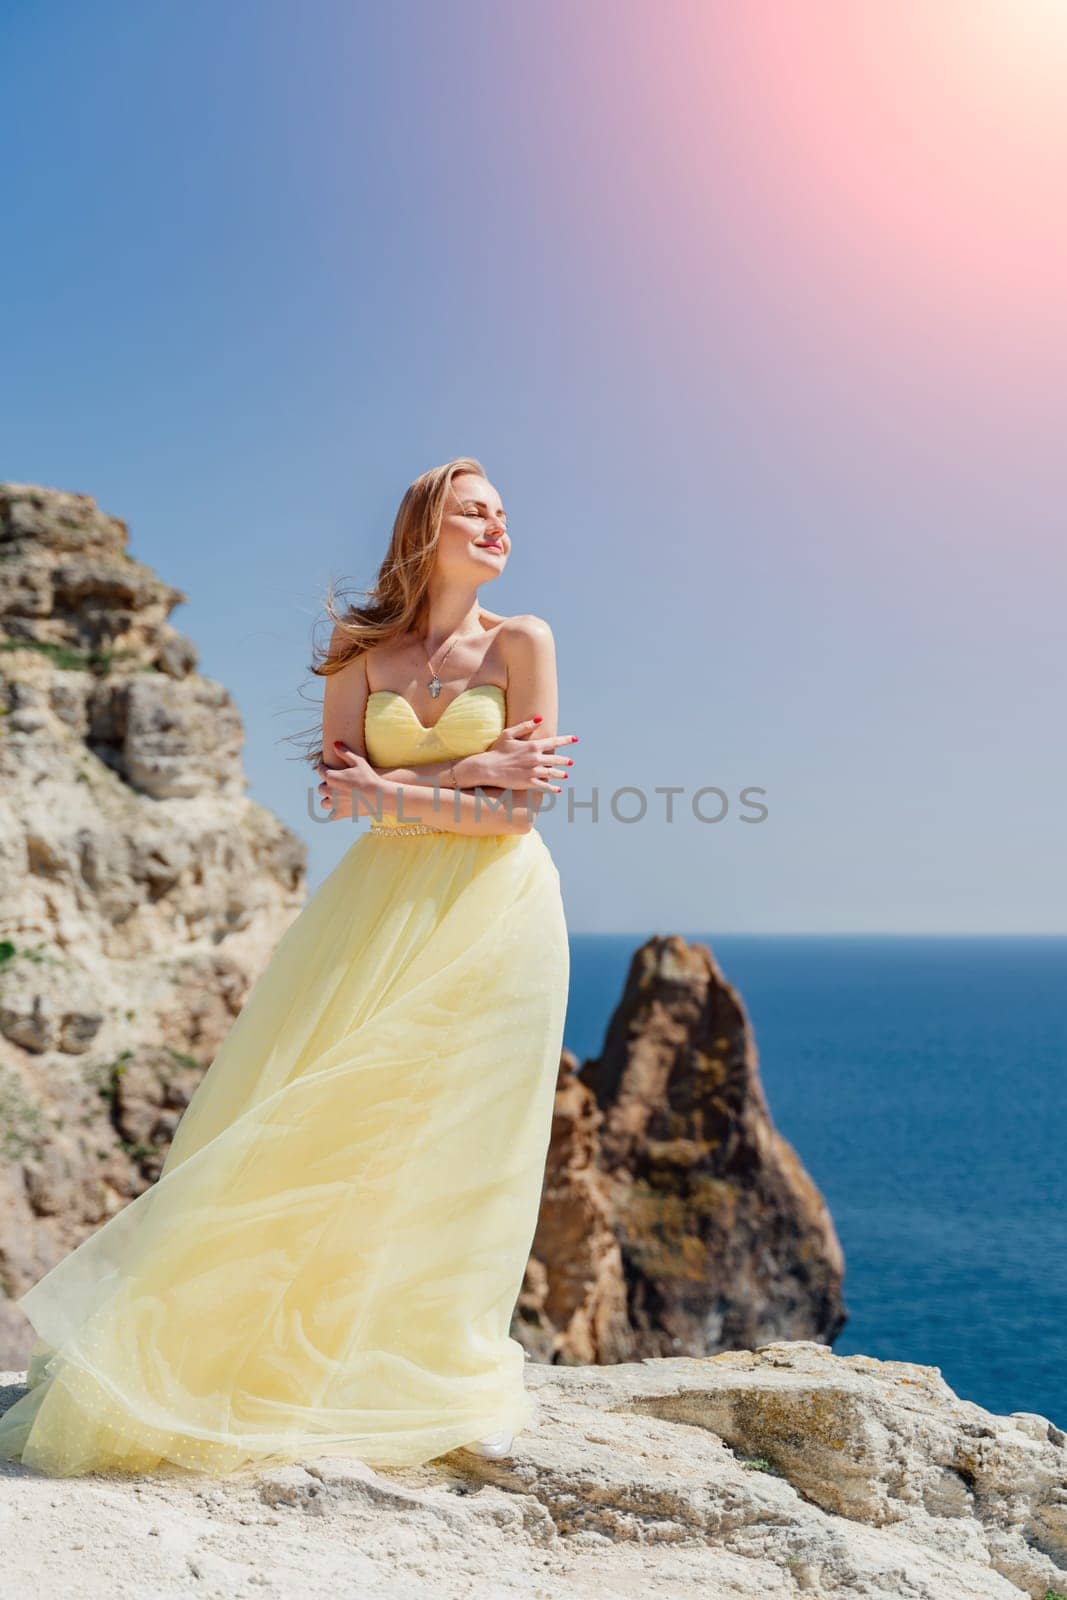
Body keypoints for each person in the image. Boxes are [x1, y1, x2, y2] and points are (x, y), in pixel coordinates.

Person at [0, 457, 575, 1478]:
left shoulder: (523, 641)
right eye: (472, 511)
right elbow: (340, 800)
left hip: (500, 909)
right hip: (374, 909)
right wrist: (467, 771)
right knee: (318, 1114)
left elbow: (514, 814)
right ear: (421, 529)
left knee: (465, 1136)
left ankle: (445, 1374)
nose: (497, 527)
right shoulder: (359, 650)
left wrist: (420, 784)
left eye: (502, 515)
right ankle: (269, 1360)